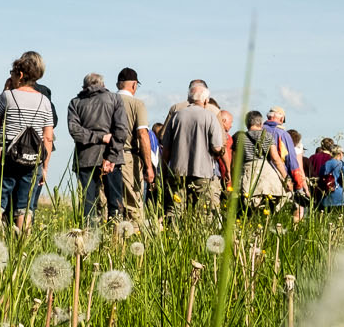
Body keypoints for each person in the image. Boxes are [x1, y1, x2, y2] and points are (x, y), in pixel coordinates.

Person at [0, 52, 56, 230]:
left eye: (12, 73)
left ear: (20, 75)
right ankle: (23, 244)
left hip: (9, 156)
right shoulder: (45, 101)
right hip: (33, 159)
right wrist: (45, 166)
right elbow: (48, 137)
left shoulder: (8, 96)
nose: (10, 76)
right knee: (24, 205)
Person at [67, 72, 129, 222]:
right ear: (103, 85)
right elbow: (121, 130)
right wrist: (111, 156)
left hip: (85, 159)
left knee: (89, 205)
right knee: (115, 203)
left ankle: (88, 238)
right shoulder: (115, 99)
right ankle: (116, 239)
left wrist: (95, 137)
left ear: (84, 86)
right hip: (111, 160)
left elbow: (75, 131)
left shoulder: (75, 102)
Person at [160, 81, 227, 215]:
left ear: (189, 98)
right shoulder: (210, 117)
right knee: (203, 212)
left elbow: (166, 147)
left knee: (174, 209)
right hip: (202, 171)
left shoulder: (176, 116)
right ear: (206, 100)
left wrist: (163, 169)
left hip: (177, 171)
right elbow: (217, 147)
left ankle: (173, 234)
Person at [114, 69, 157, 227]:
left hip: (105, 157)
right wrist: (148, 166)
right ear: (134, 85)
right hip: (128, 157)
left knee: (109, 205)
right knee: (133, 204)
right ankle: (135, 238)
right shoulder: (137, 104)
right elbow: (142, 135)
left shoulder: (108, 100)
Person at [318, 145, 344, 210]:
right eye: (343, 153)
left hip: (326, 197)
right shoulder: (343, 165)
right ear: (339, 153)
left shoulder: (324, 165)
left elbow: (320, 180)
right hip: (340, 197)